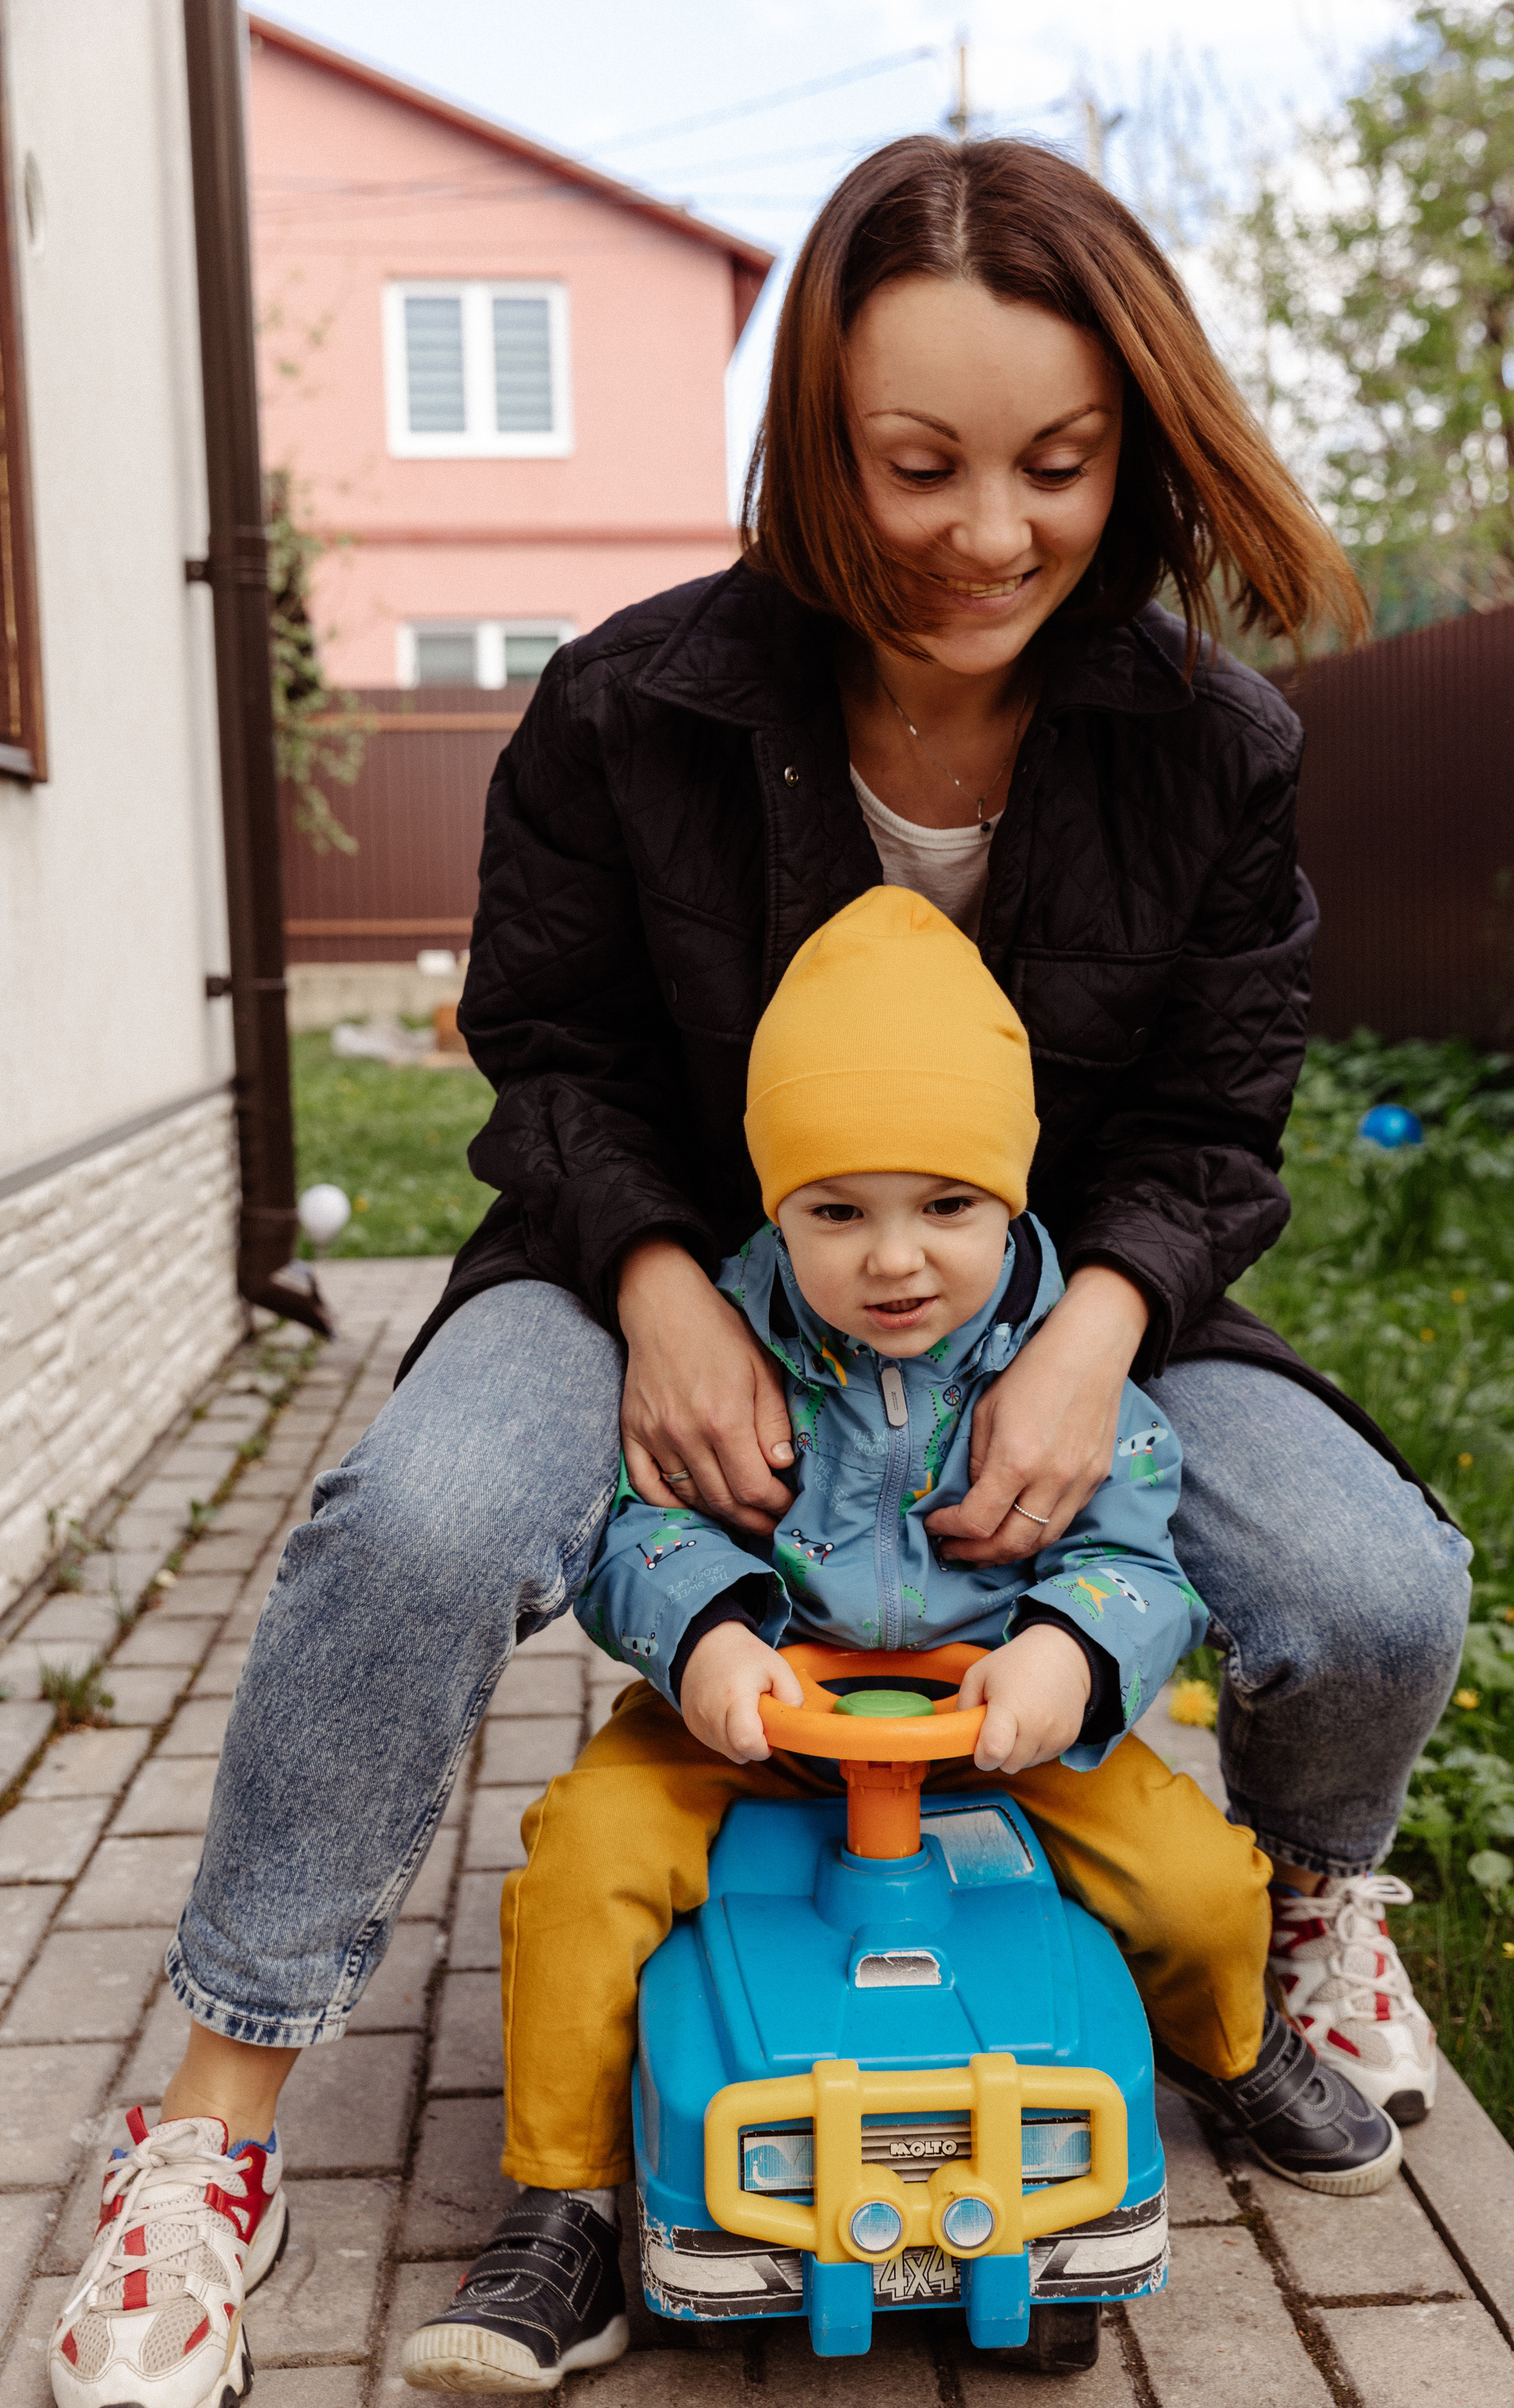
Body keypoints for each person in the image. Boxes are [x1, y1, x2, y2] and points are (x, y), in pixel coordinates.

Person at [50, 134, 1471, 2408]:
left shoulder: (1217, 750)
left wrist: (1095, 1332)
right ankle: (209, 2136)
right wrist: (657, 1283)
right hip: (637, 1263)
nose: (990, 533)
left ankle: (1297, 1920)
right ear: (821, 440)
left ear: (1137, 449)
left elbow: (1215, 1125)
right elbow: (541, 1055)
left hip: (1066, 1294)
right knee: (414, 1519)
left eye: (1060, 464)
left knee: (1376, 1584)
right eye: (919, 465)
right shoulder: (633, 710)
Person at [401, 886, 1404, 2392]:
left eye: (946, 1205)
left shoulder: (1059, 1363)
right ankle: (561, 2206)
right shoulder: (730, 1344)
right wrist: (708, 1638)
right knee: (576, 1869)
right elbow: (636, 1522)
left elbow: (1138, 1550)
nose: (892, 1261)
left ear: (1012, 1198)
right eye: (834, 1211)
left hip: (1002, 1741)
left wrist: (1069, 1653)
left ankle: (1235, 2042)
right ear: (773, 1203)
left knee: (1202, 1885)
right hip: (748, 1737)